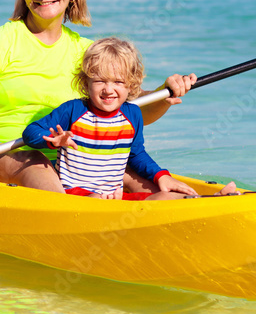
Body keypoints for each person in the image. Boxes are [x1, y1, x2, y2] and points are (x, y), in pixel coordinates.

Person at [0, 0, 197, 196]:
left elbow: (128, 111)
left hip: (77, 160)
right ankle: (78, 215)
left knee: (143, 178)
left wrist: (165, 94)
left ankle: (192, 203)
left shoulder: (87, 51)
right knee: (36, 161)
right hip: (1, 155)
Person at [22, 37, 240, 200]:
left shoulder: (132, 114)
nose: (109, 89)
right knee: (96, 200)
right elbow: (30, 132)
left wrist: (161, 176)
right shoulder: (73, 110)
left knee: (166, 196)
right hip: (76, 195)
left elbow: (136, 155)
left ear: (131, 84)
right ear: (86, 83)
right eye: (100, 81)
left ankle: (213, 199)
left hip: (114, 195)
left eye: (118, 82)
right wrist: (52, 139)